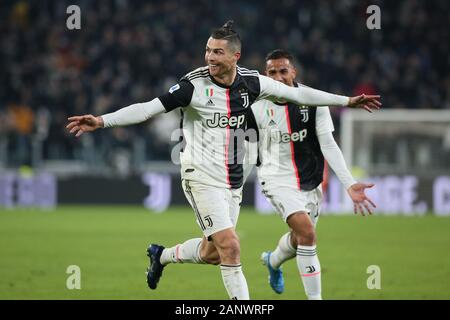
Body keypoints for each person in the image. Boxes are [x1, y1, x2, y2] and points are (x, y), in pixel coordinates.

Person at [66, 21, 381, 300]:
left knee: (213, 252)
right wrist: (102, 121)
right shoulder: (192, 87)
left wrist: (348, 101)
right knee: (231, 245)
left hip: (231, 181)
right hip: (199, 173)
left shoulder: (252, 84)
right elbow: (148, 107)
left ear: (235, 57)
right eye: (207, 51)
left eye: (217, 52)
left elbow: (301, 95)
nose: (210, 58)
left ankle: (161, 256)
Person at [246, 49, 377, 300]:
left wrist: (349, 183)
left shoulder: (314, 101)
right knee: (307, 233)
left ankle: (272, 261)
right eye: (272, 72)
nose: (278, 77)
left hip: (309, 180)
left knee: (300, 239)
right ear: (266, 74)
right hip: (275, 178)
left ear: (293, 72)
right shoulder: (256, 106)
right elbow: (248, 148)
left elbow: (328, 144)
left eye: (283, 71)